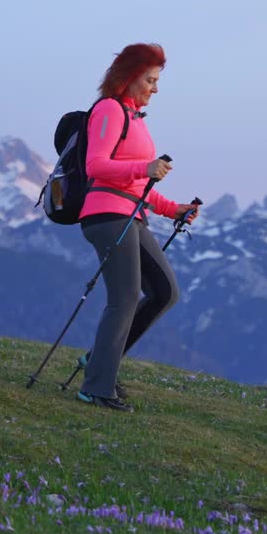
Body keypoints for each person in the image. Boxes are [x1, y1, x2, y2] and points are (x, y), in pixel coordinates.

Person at [76, 43, 200, 411]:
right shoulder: (108, 111)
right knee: (126, 297)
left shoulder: (134, 118)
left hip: (131, 214)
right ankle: (97, 387)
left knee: (164, 292)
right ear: (128, 77)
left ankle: (98, 361)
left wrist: (172, 209)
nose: (155, 88)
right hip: (107, 215)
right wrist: (144, 169)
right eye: (150, 80)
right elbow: (96, 166)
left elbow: (137, 186)